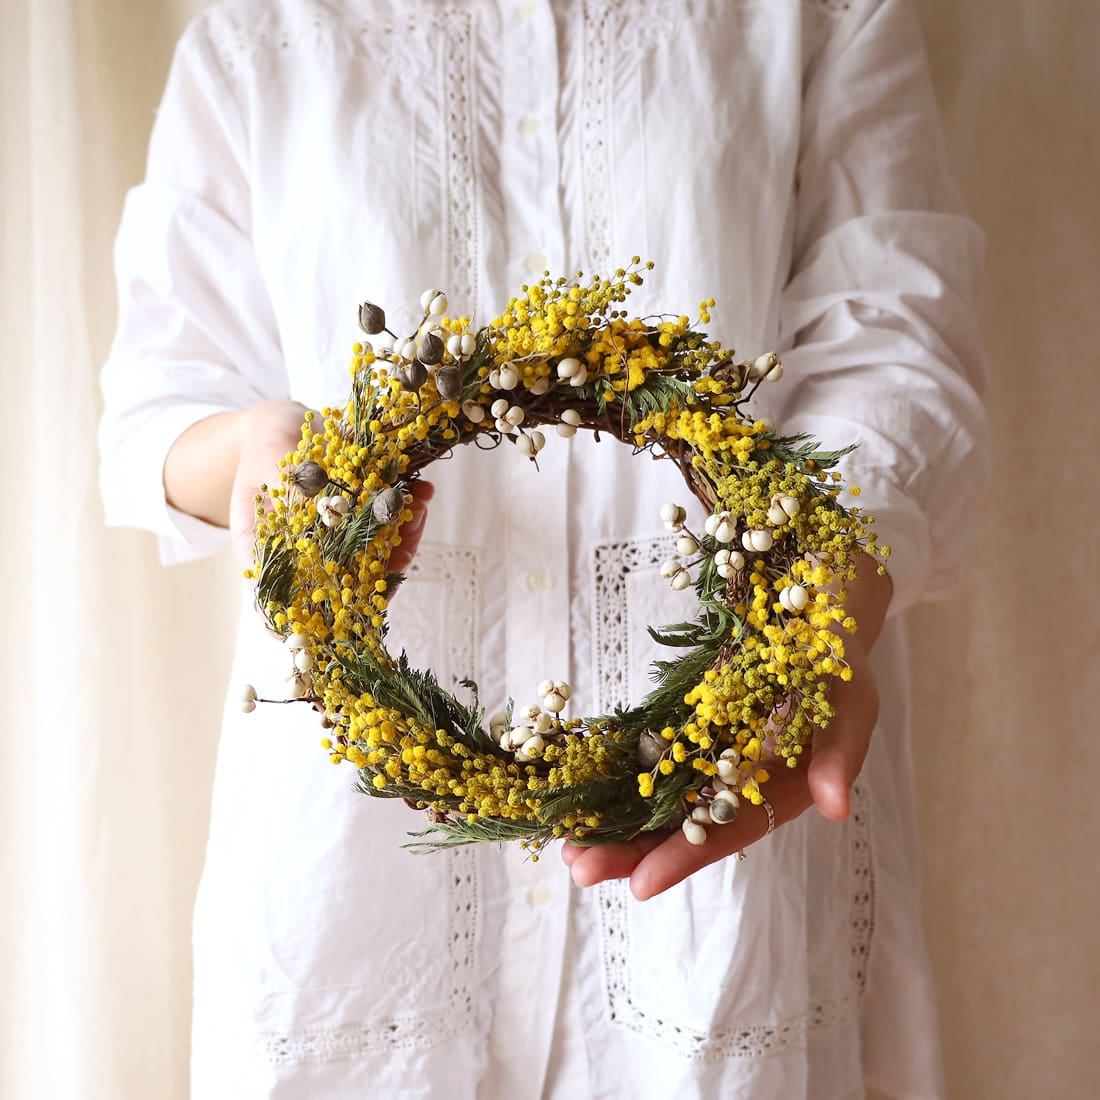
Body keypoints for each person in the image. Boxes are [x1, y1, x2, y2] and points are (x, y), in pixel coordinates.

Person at [99, 1, 988, 1096]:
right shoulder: (261, 33)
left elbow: (894, 331)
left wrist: (823, 599)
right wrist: (254, 452)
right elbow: (159, 401)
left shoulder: (810, 16)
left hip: (730, 804)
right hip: (357, 869)